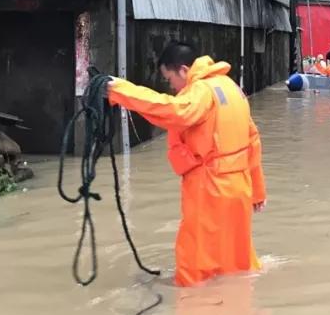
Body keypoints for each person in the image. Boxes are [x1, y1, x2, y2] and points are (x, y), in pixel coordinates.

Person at [107, 41, 266, 287]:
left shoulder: (202, 91)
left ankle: (193, 307)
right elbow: (252, 140)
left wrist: (120, 91)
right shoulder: (231, 87)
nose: (170, 86)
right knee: (236, 259)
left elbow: (175, 112)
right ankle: (233, 306)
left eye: (169, 78)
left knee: (195, 264)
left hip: (210, 187)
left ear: (183, 70)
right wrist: (257, 191)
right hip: (239, 187)